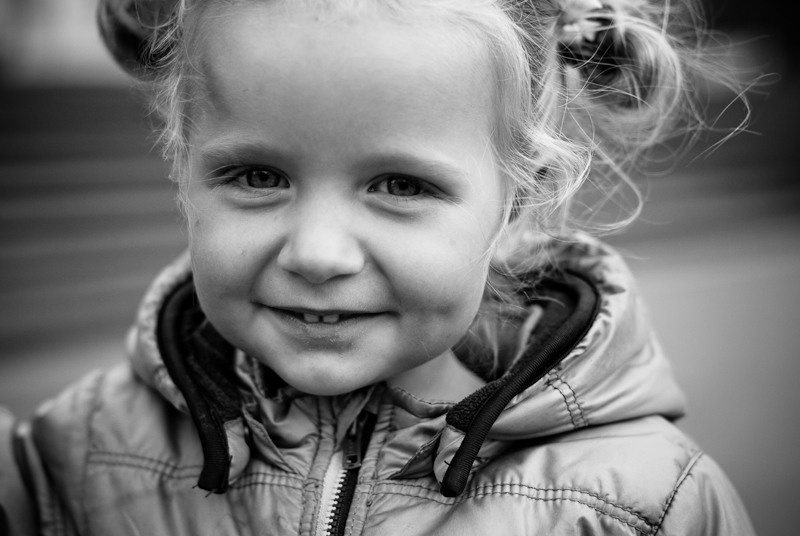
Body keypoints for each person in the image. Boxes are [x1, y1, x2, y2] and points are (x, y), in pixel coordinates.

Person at [0, 0, 757, 534]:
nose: (319, 254)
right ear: (181, 171)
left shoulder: (644, 504)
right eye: (258, 176)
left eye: (400, 186)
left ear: (518, 199)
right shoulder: (76, 455)